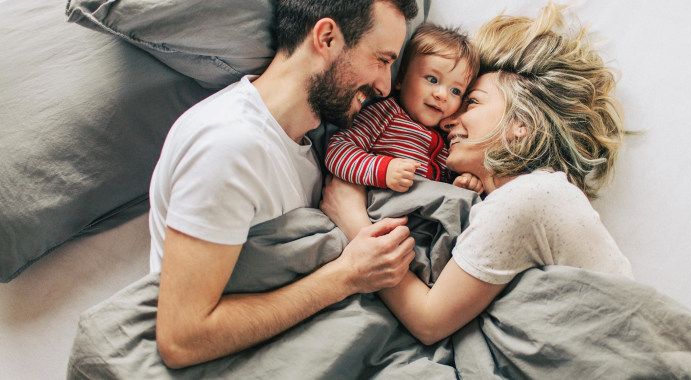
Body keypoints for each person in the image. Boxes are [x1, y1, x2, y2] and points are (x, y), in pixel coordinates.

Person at [320, 2, 635, 346]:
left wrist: (353, 220)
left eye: (470, 102)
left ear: (520, 127)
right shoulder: (513, 196)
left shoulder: (531, 196)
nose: (449, 118)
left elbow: (429, 321)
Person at [147, 0, 419, 369]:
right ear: (326, 38)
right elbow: (182, 338)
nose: (386, 86)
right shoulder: (228, 147)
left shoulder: (311, 144)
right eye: (383, 60)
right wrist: (347, 276)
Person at [325, 23, 483, 194]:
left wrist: (462, 182)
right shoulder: (384, 114)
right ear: (400, 78)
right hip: (380, 202)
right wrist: (384, 170)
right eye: (432, 79)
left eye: (455, 91)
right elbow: (337, 150)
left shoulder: (448, 136)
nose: (442, 95)